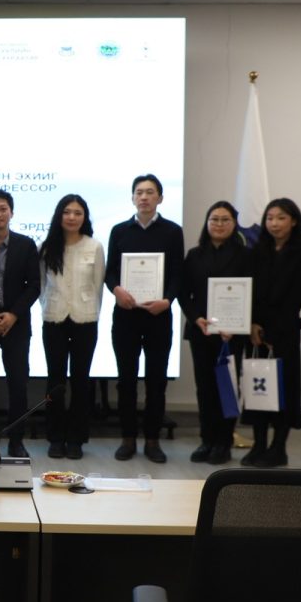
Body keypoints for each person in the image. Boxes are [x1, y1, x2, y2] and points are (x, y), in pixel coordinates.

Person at [105, 174, 185, 463]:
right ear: (132, 198)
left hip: (158, 316)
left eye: (150, 192)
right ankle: (128, 439)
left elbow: (178, 273)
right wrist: (117, 290)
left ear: (160, 198)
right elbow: (110, 272)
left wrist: (168, 300)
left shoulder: (172, 231)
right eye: (139, 192)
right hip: (126, 316)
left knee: (156, 381)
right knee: (126, 381)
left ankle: (153, 440)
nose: (144, 197)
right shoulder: (119, 230)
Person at [243, 198, 301, 468]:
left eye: (281, 218)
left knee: (284, 389)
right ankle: (259, 444)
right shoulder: (255, 253)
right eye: (270, 218)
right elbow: (248, 292)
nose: (274, 223)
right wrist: (251, 323)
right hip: (257, 331)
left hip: (286, 331)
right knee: (258, 388)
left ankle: (278, 447)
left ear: (293, 221)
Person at [180, 201, 251, 466]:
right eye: (214, 219)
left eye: (225, 219)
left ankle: (223, 441)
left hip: (232, 335)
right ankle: (206, 440)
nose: (219, 224)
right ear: (207, 223)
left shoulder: (246, 256)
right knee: (205, 388)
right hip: (201, 331)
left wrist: (238, 323)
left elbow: (252, 293)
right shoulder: (194, 255)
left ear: (234, 224)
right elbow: (183, 292)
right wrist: (195, 317)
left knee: (227, 387)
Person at [0, 190, 41, 459]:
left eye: (3, 209)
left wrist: (13, 315)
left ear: (11, 212)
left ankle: (16, 440)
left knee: (18, 383)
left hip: (16, 324)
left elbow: (34, 285)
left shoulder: (26, 245)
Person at [38, 195, 105, 461]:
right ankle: (55, 438)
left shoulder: (94, 246)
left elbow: (98, 286)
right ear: (59, 215)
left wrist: (91, 311)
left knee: (80, 380)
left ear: (84, 217)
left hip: (85, 321)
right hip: (54, 319)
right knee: (55, 380)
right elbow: (42, 286)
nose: (72, 217)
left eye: (78, 213)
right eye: (67, 212)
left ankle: (76, 439)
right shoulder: (46, 247)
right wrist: (49, 306)